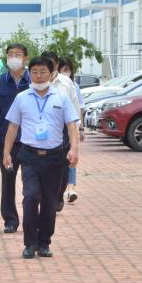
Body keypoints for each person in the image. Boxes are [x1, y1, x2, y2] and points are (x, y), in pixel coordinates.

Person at [2, 56, 80, 259]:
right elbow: (13, 127)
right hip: (29, 155)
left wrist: (74, 149)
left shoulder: (61, 97)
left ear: (52, 74)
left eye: (43, 72)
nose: (38, 76)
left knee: (49, 202)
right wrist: (6, 152)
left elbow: (71, 125)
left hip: (54, 157)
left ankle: (44, 242)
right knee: (31, 197)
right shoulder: (22, 98)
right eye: (34, 72)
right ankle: (30, 243)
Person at [0, 43, 30, 233]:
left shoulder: (32, 81)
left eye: (17, 54)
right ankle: (10, 220)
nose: (13, 58)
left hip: (30, 140)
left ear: (25, 58)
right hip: (7, 141)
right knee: (8, 180)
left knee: (31, 182)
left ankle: (31, 219)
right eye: (10, 54)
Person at [41, 50, 81, 213]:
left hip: (64, 129)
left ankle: (58, 195)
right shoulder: (37, 81)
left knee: (63, 167)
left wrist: (76, 132)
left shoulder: (66, 83)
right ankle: (46, 196)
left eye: (51, 63)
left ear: (57, 64)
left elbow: (75, 105)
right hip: (42, 130)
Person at [58, 57, 85, 203]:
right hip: (57, 129)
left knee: (71, 157)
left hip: (71, 128)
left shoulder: (73, 86)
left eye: (68, 70)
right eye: (64, 69)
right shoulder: (51, 84)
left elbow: (79, 107)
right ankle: (61, 190)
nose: (66, 72)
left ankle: (71, 188)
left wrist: (80, 128)